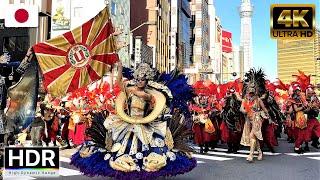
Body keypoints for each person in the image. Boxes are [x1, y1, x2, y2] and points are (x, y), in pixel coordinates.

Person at [70, 62, 196, 179]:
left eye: (142, 80)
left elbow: (143, 95)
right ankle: (122, 166)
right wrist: (119, 68)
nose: (139, 82)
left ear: (146, 81)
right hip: (127, 122)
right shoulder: (130, 89)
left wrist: (137, 88)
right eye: (138, 79)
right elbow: (119, 83)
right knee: (118, 144)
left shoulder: (146, 94)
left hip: (143, 123)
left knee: (146, 147)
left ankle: (141, 168)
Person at [239, 69, 271, 162]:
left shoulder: (258, 100)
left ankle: (251, 155)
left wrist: (269, 117)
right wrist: (244, 111)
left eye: (253, 91)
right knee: (255, 137)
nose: (251, 93)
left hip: (257, 118)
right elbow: (241, 108)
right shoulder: (245, 100)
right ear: (247, 91)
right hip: (248, 119)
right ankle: (260, 152)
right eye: (250, 91)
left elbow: (264, 109)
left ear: (255, 91)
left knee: (252, 135)